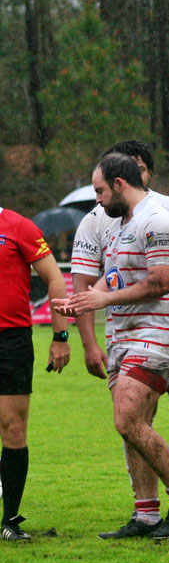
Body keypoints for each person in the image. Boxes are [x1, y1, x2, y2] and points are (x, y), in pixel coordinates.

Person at [70, 140, 169, 539]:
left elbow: (162, 281)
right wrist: (82, 300)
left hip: (159, 335)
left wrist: (103, 297)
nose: (97, 201)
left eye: (100, 191)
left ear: (120, 184)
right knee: (130, 424)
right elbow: (114, 277)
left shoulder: (159, 219)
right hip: (126, 336)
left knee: (130, 419)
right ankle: (148, 514)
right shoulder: (121, 223)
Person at [0, 207, 70, 540]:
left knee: (13, 427)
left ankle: (9, 520)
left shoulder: (18, 226)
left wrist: (60, 336)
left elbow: (55, 278)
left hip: (10, 341)